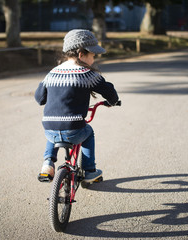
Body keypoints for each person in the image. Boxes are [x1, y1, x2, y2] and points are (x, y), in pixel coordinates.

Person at [34, 29, 119, 183]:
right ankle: (89, 171)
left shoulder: (52, 73)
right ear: (81, 54)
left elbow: (39, 98)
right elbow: (108, 90)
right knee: (88, 132)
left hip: (49, 127)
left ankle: (47, 164)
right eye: (93, 55)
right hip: (74, 129)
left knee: (54, 130)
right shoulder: (87, 74)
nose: (93, 60)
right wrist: (113, 101)